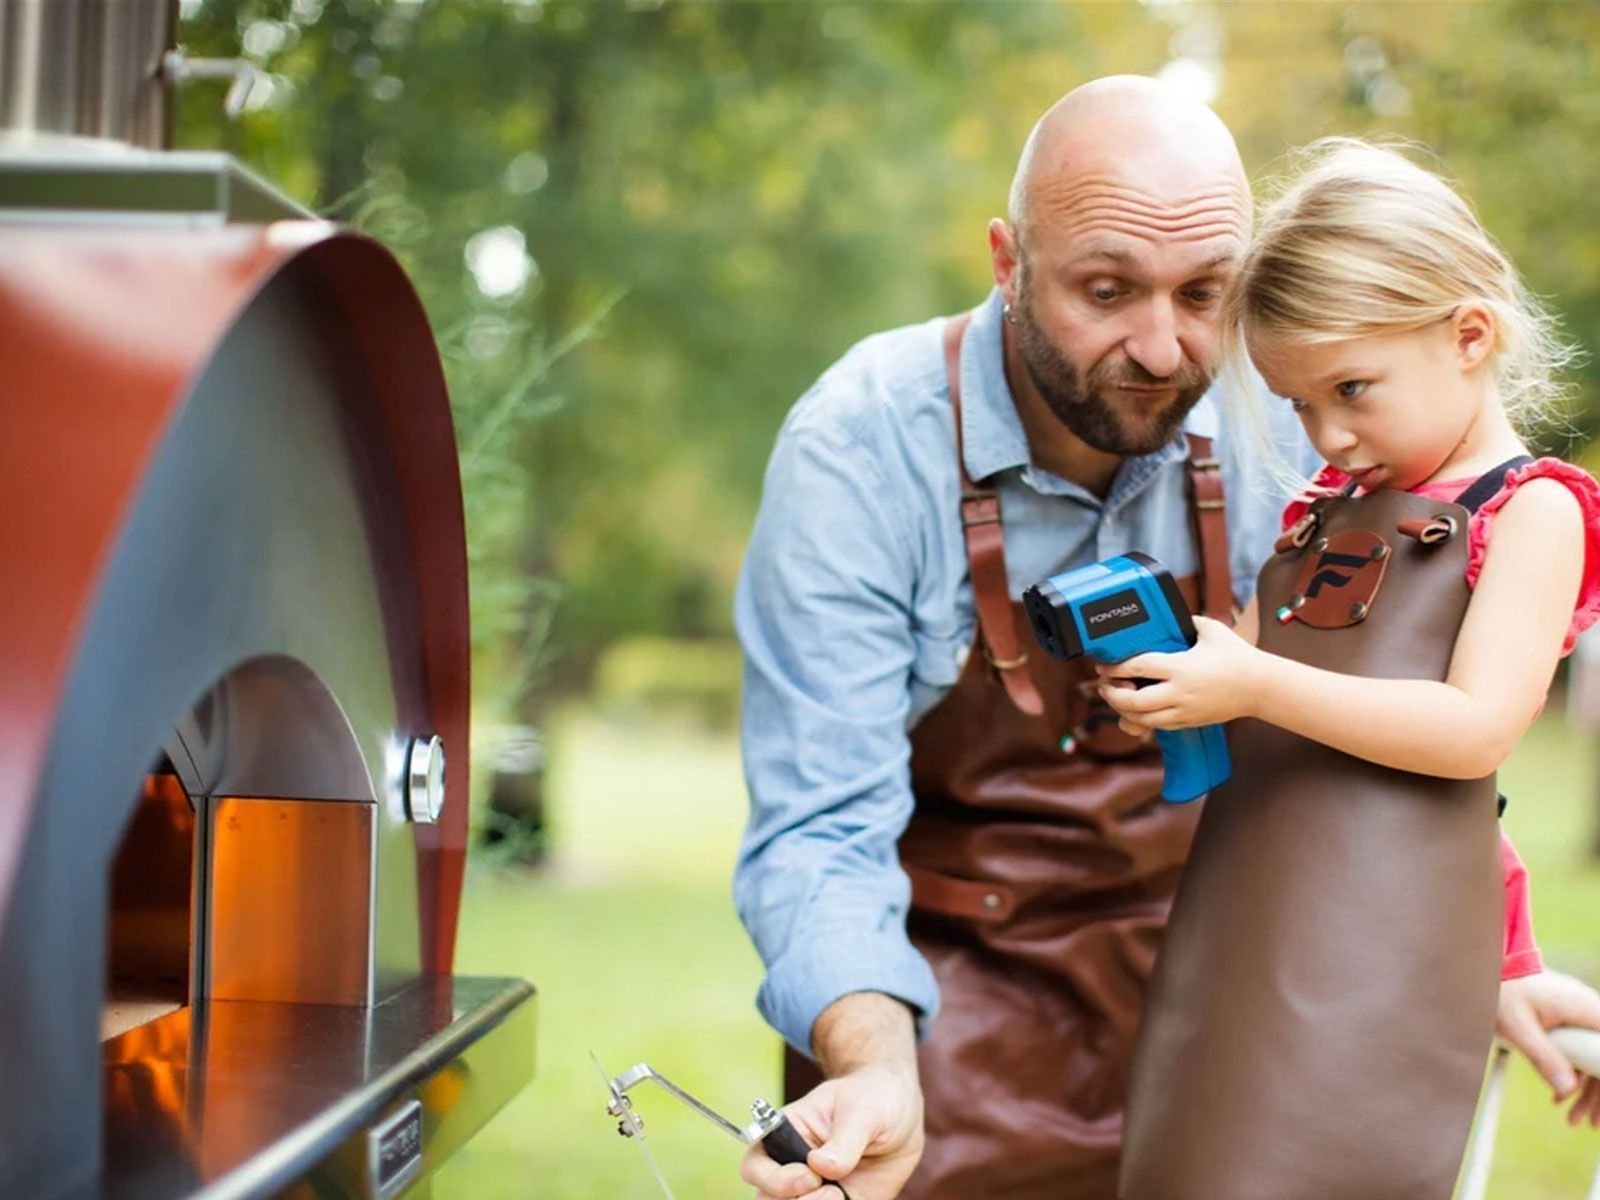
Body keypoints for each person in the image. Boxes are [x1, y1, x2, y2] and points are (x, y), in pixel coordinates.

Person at [734, 83, 1600, 1200]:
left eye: (1205, 294)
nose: (1162, 349)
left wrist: (1473, 961)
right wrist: (876, 1068)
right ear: (1008, 262)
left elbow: (1378, 735)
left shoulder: (1302, 405)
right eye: (1105, 290)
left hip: (1232, 992)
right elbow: (821, 826)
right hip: (946, 1007)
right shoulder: (860, 447)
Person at [1103, 138, 1600, 1200]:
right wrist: (1190, 689)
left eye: (1352, 388)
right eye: (1295, 404)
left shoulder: (1532, 513)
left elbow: (1471, 738)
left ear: (1468, 335)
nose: (1327, 431)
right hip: (1247, 924)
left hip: (1370, 960)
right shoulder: (1325, 511)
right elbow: (1274, 711)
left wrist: (1258, 684)